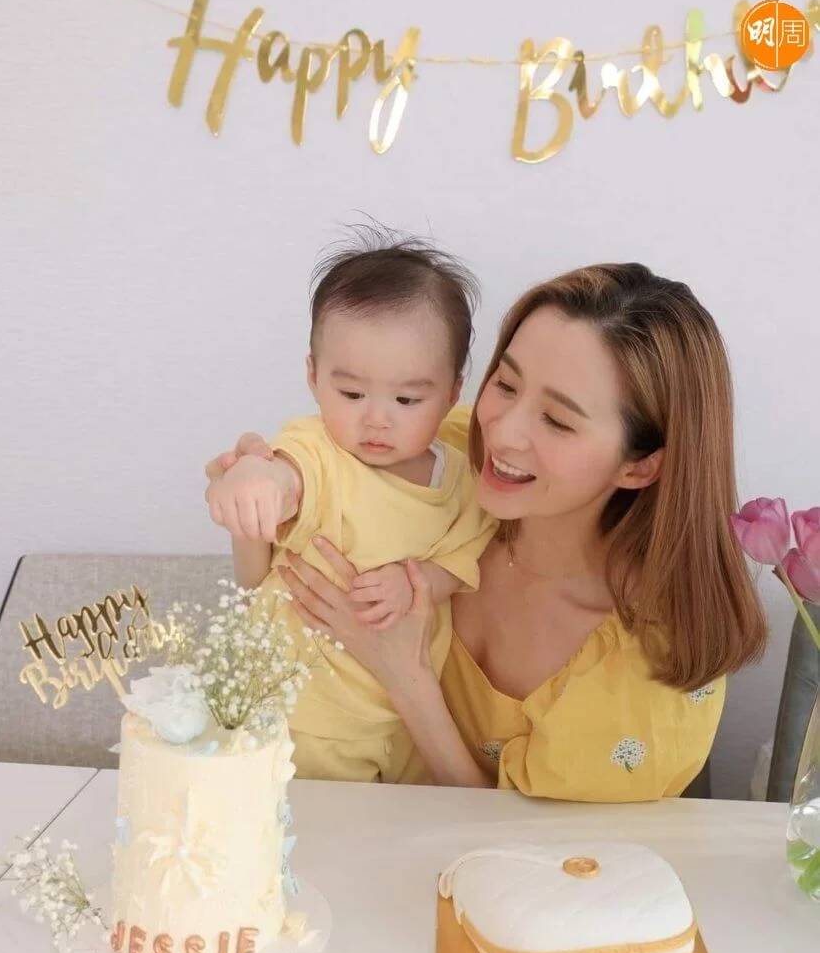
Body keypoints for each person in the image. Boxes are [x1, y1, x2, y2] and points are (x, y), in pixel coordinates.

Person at [207, 261, 768, 800]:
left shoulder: (641, 682)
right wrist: (254, 491)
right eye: (506, 384)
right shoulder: (443, 449)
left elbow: (533, 848)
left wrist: (406, 677)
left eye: (557, 420)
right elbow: (306, 487)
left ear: (640, 466)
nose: (502, 434)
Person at [205, 231, 496, 785]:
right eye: (352, 394)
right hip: (307, 717)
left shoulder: (461, 478)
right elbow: (285, 477)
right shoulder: (319, 452)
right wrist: (255, 479)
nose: (376, 419)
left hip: (404, 717)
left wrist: (418, 582)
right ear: (314, 376)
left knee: (412, 831)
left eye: (407, 399)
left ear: (453, 392)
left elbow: (462, 562)